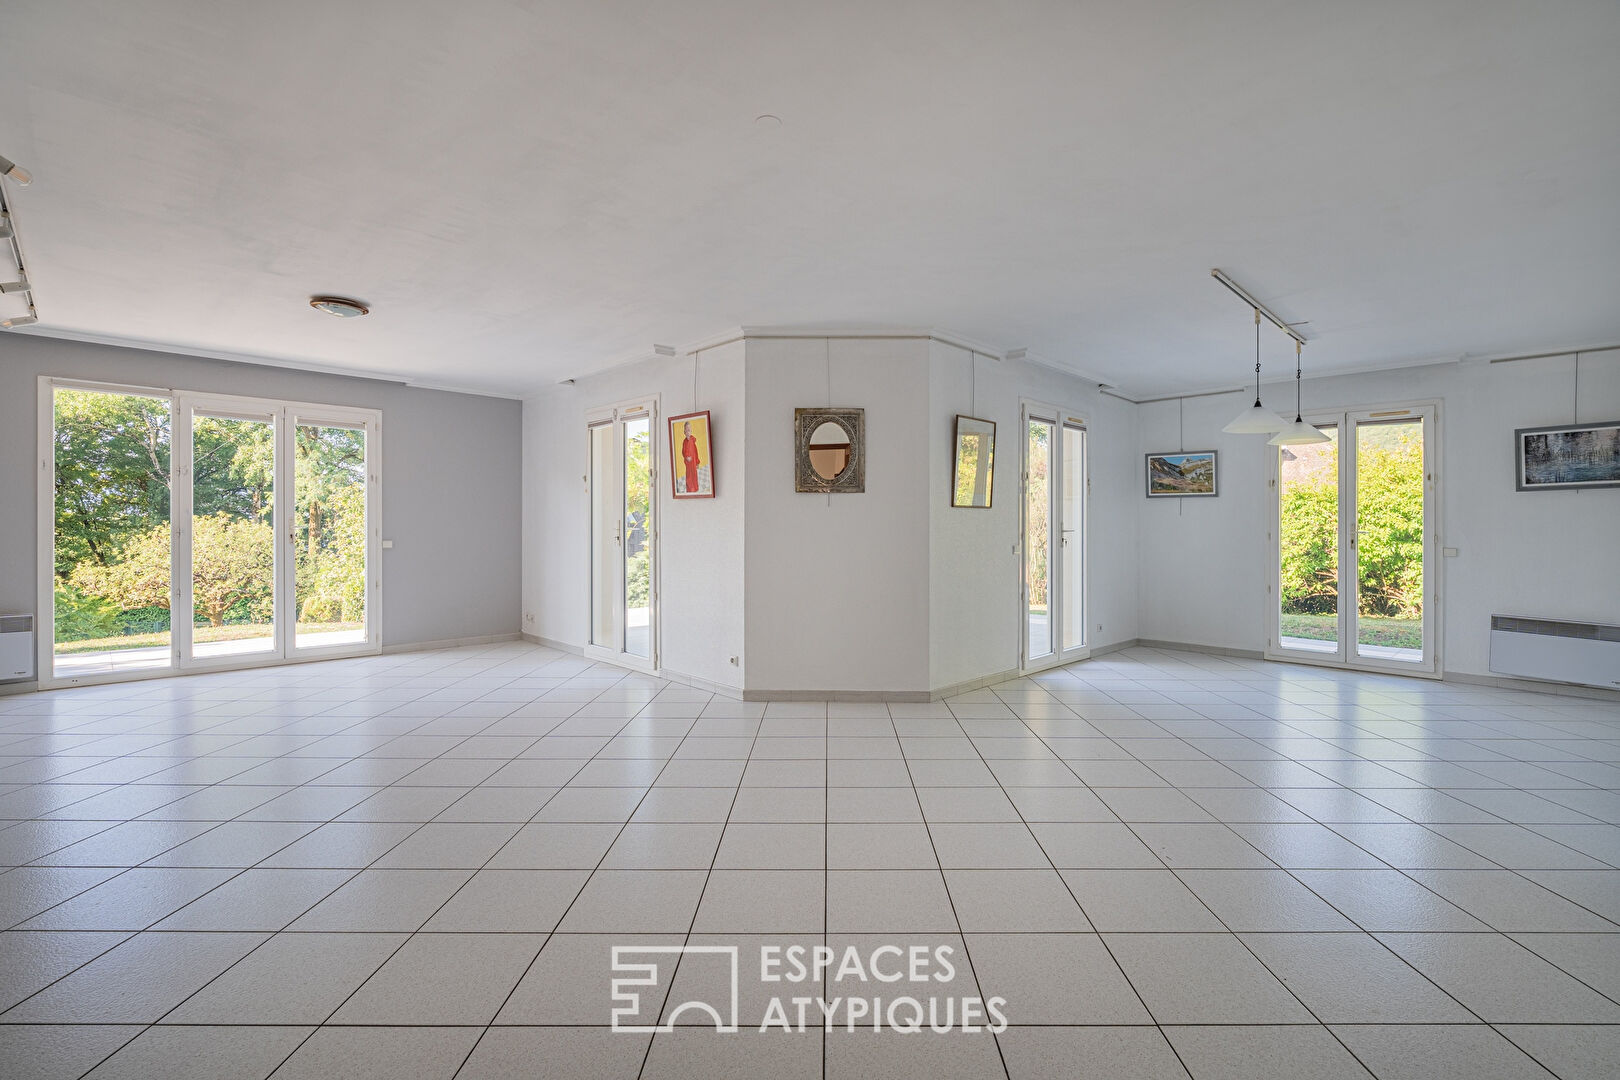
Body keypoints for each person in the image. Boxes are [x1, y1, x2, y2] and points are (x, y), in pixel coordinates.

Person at [681, 421, 702, 494]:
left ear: (691, 431)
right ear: (684, 432)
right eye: (686, 430)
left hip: (693, 462)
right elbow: (683, 451)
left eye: (689, 430)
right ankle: (690, 489)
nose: (688, 432)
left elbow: (696, 452)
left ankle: (695, 488)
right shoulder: (684, 442)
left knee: (694, 475)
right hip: (688, 463)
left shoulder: (693, 441)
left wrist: (697, 462)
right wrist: (686, 457)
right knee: (689, 476)